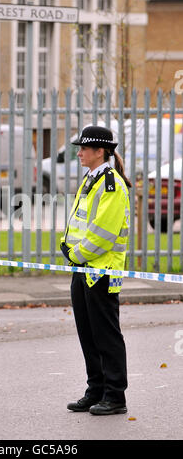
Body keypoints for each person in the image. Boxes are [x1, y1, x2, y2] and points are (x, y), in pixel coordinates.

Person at [60, 125, 131, 415]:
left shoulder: (111, 184)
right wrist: (66, 245)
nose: (78, 153)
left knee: (106, 335)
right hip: (83, 269)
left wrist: (75, 254)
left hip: (100, 271)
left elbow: (103, 232)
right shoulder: (92, 180)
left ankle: (115, 396)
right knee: (87, 334)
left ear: (99, 151)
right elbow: (80, 220)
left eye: (83, 148)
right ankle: (96, 389)